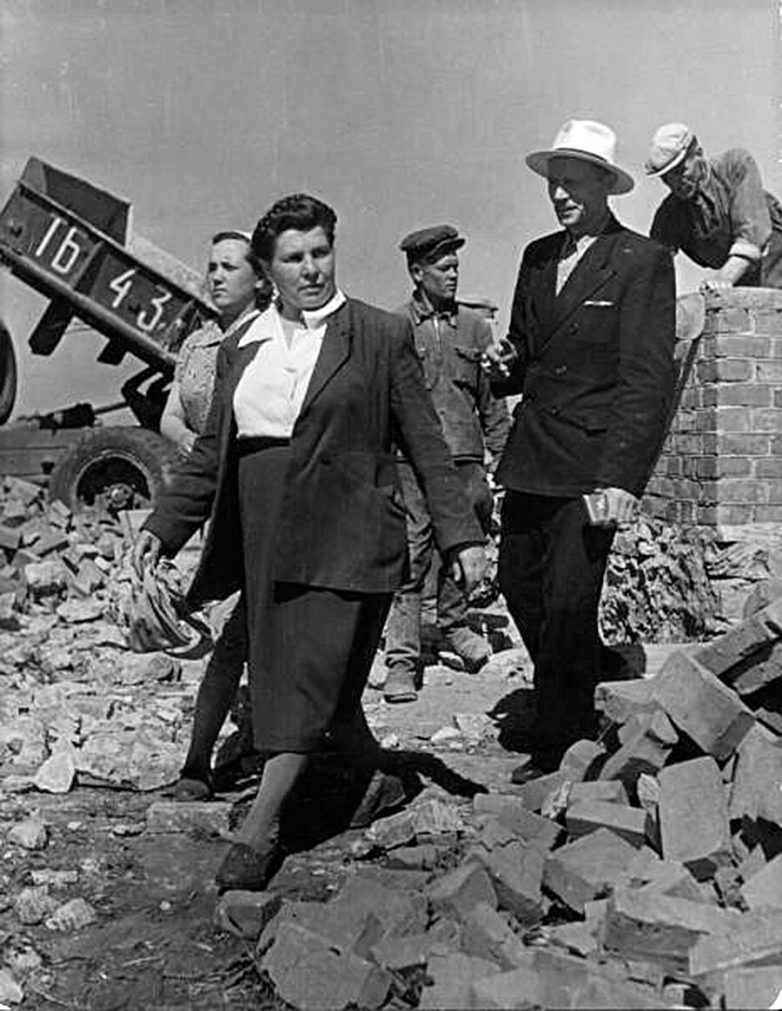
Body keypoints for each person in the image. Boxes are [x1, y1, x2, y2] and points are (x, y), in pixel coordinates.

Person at [133, 194, 486, 892]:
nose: (312, 269)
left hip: (350, 539)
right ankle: (378, 779)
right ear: (269, 271)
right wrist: (160, 529)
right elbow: (211, 456)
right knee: (327, 700)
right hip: (266, 541)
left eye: (321, 252)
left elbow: (427, 444)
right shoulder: (242, 346)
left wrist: (461, 537)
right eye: (294, 258)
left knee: (305, 683)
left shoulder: (379, 335)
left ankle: (259, 830)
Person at [482, 120, 676, 780]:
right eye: (553, 183)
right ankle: (586, 675)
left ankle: (559, 743)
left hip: (593, 466)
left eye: (572, 183)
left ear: (604, 185)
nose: (560, 195)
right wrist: (502, 363)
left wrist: (622, 477)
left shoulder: (642, 261)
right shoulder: (537, 257)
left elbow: (646, 381)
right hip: (533, 455)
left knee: (568, 603)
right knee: (519, 585)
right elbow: (524, 352)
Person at [157, 229, 270, 800]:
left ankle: (260, 759)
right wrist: (193, 446)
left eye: (229, 266)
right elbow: (172, 415)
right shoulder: (199, 345)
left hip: (263, 506)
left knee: (259, 633)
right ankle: (200, 762)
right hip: (214, 508)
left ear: (260, 278)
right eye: (212, 266)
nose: (216, 276)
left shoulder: (276, 338)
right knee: (231, 633)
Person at [382, 226, 510, 703]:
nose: (453, 275)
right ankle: (402, 659)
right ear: (418, 273)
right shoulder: (394, 327)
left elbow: (491, 401)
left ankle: (454, 626)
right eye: (443, 267)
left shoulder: (475, 327)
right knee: (412, 552)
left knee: (466, 545)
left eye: (456, 266)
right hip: (411, 462)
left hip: (466, 461)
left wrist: (501, 458)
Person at [646, 123, 782, 290]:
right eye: (666, 178)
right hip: (742, 284)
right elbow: (654, 267)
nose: (675, 184)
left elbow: (752, 234)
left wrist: (725, 277)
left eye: (680, 171)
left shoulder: (734, 166)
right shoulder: (669, 215)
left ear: (698, 154)